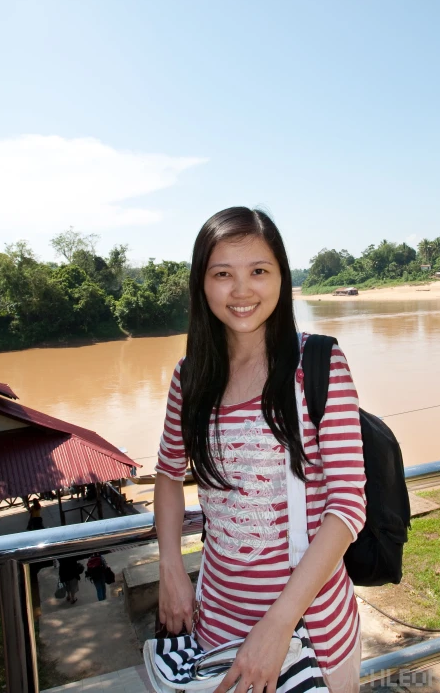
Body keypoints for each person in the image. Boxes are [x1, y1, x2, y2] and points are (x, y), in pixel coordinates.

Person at [154, 207, 367, 693]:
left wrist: (277, 626)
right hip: (216, 630)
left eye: (258, 271)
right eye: (223, 274)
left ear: (281, 278)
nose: (242, 290)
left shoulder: (317, 363)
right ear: (201, 284)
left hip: (310, 634)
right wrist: (170, 567)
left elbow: (348, 504)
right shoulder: (190, 378)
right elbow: (167, 476)